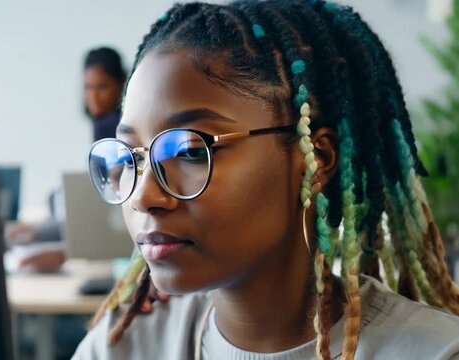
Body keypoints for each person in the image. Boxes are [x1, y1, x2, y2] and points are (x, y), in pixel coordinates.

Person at [73, 1, 459, 359]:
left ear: (316, 159)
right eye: (130, 156)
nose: (143, 196)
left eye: (191, 150)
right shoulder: (120, 347)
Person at [5, 47, 127, 271]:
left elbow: (104, 208)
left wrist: (57, 246)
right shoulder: (104, 124)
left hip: (112, 248)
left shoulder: (115, 126)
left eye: (102, 87)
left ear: (122, 85)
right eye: (88, 88)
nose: (93, 96)